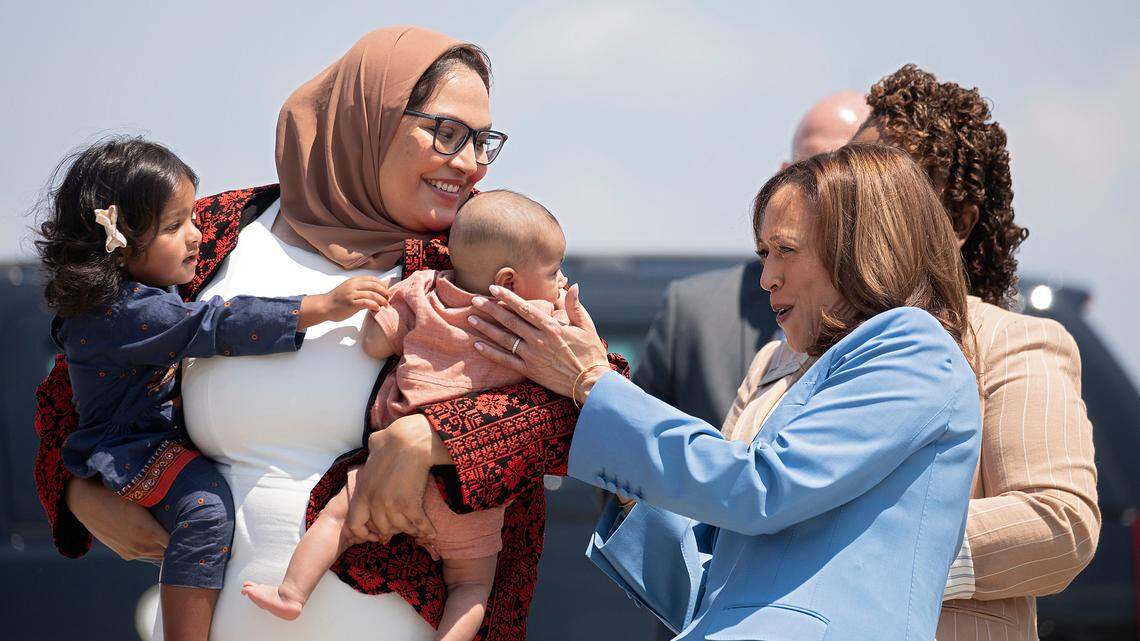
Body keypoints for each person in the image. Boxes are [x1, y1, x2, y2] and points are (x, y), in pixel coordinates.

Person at [32, 27, 621, 641]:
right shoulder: (213, 233)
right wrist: (78, 493)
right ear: (368, 116)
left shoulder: (477, 256)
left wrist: (431, 437)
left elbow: (593, 397)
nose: (470, 163)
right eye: (447, 133)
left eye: (483, 142)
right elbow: (76, 381)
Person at [446, 143, 984, 640]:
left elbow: (760, 488)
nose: (766, 278)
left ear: (863, 247)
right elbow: (709, 594)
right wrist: (632, 490)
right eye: (762, 254)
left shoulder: (912, 348)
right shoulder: (830, 370)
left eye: (786, 250)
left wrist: (593, 383)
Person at [33, 137, 391, 641]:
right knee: (204, 511)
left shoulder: (132, 296)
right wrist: (321, 306)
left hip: (140, 443)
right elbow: (216, 324)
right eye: (175, 226)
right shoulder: (130, 313)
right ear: (118, 242)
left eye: (194, 219)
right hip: (130, 452)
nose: (197, 236)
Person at [241, 191, 568, 641]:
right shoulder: (539, 321)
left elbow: (375, 345)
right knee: (472, 584)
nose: (561, 280)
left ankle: (292, 594)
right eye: (554, 272)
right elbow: (577, 385)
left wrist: (387, 308)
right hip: (467, 491)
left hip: (382, 477)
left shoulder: (423, 291)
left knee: (336, 522)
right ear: (509, 281)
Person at [851, 64, 1100, 640]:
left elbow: (1059, 525)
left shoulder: (1013, 344)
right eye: (850, 181)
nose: (859, 206)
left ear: (959, 222)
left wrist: (868, 551)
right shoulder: (780, 361)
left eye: (891, 190)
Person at [636, 91, 869, 427]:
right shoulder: (696, 312)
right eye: (812, 170)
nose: (830, 190)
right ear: (784, 178)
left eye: (847, 175)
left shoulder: (909, 327)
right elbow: (630, 465)